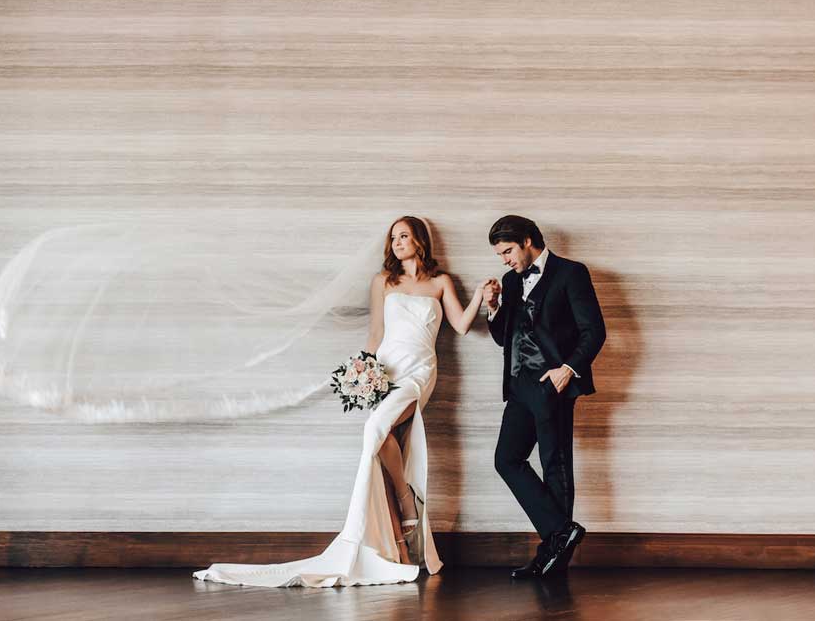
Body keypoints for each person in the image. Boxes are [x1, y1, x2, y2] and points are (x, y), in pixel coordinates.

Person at [194, 215, 496, 587]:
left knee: (375, 430)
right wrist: (362, 374)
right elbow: (376, 333)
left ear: (420, 240)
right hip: (386, 368)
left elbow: (462, 325)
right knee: (382, 443)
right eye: (394, 238)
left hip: (419, 373)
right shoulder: (383, 281)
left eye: (404, 236)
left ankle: (405, 502)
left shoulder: (440, 282)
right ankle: (400, 546)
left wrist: (482, 295)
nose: (397, 242)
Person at [483, 215, 606, 579]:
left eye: (508, 251)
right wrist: (493, 308)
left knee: (556, 466)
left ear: (528, 240)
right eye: (500, 254)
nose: (505, 260)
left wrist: (567, 370)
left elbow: (594, 331)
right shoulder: (509, 280)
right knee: (507, 459)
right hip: (520, 385)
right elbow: (507, 338)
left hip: (553, 383)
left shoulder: (571, 273)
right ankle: (560, 533)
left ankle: (553, 557)